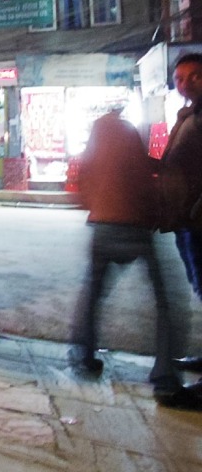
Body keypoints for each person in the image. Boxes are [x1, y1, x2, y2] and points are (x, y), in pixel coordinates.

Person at [67, 110, 196, 408]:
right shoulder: (128, 136)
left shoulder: (94, 145)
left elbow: (81, 190)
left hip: (101, 228)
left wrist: (98, 206)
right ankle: (165, 379)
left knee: (94, 293)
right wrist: (157, 215)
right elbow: (143, 180)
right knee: (166, 302)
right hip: (134, 227)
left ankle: (83, 356)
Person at [161, 53, 202, 373]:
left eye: (194, 76)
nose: (185, 84)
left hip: (196, 218)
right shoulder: (188, 114)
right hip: (185, 220)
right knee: (197, 284)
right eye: (179, 79)